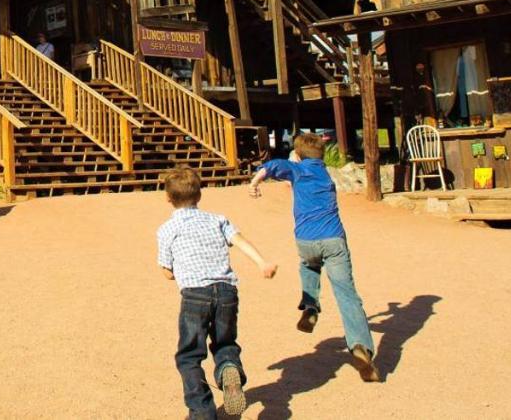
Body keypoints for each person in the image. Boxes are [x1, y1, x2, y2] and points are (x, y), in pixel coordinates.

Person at [249, 132, 380, 382]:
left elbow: (273, 166)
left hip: (306, 240)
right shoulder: (324, 173)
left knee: (308, 265)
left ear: (297, 156)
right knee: (347, 295)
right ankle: (360, 346)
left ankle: (310, 306)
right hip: (334, 239)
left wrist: (255, 183)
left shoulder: (297, 171)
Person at [158, 166, 277, 419]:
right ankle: (228, 369)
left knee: (190, 355)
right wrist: (262, 262)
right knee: (224, 342)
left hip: (194, 295)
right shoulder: (217, 219)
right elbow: (239, 240)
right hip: (226, 292)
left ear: (168, 198)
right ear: (199, 195)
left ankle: (202, 411)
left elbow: (167, 271)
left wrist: (180, 270)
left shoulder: (167, 229)